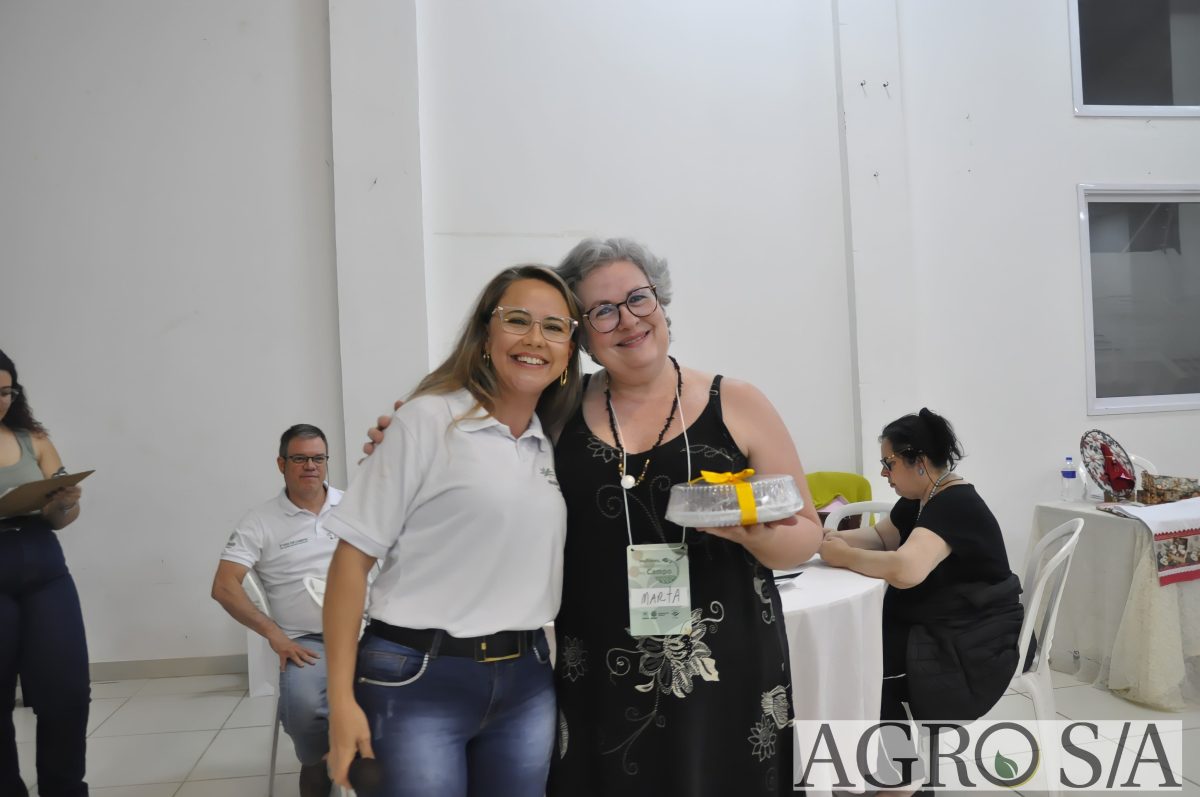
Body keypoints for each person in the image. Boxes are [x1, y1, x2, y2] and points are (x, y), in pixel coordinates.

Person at [365, 238, 823, 796]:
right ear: (581, 335)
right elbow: (469, 438)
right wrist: (400, 433)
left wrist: (751, 535)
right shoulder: (557, 410)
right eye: (602, 311)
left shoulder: (737, 402)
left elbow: (805, 534)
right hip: (600, 666)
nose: (627, 320)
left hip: (724, 661)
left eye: (638, 298)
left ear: (661, 303)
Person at [322, 264, 583, 796]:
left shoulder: (552, 442)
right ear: (485, 334)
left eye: (555, 327)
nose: (536, 339)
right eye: (518, 320)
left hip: (527, 678)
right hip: (417, 676)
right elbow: (351, 562)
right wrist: (341, 701)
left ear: (568, 352)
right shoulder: (426, 421)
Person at [819, 408, 1022, 727]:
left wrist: (844, 556)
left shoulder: (955, 504)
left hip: (971, 641)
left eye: (889, 463)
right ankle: (881, 750)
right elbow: (881, 537)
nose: (884, 473)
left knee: (855, 661)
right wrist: (826, 539)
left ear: (920, 461)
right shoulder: (921, 498)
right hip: (945, 622)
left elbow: (906, 570)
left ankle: (895, 756)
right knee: (849, 647)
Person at [210, 423, 341, 797]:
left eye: (318, 458)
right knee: (303, 710)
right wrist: (274, 634)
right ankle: (319, 762)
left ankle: (375, 764)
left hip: (371, 634)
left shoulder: (355, 506)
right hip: (307, 641)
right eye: (299, 458)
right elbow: (224, 586)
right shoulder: (260, 521)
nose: (310, 466)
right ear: (281, 464)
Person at [0, 349, 89, 797]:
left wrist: (64, 502)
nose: (0, 401)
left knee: (67, 690)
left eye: (6, 392)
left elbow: (60, 520)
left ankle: (65, 789)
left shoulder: (32, 438)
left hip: (43, 565)